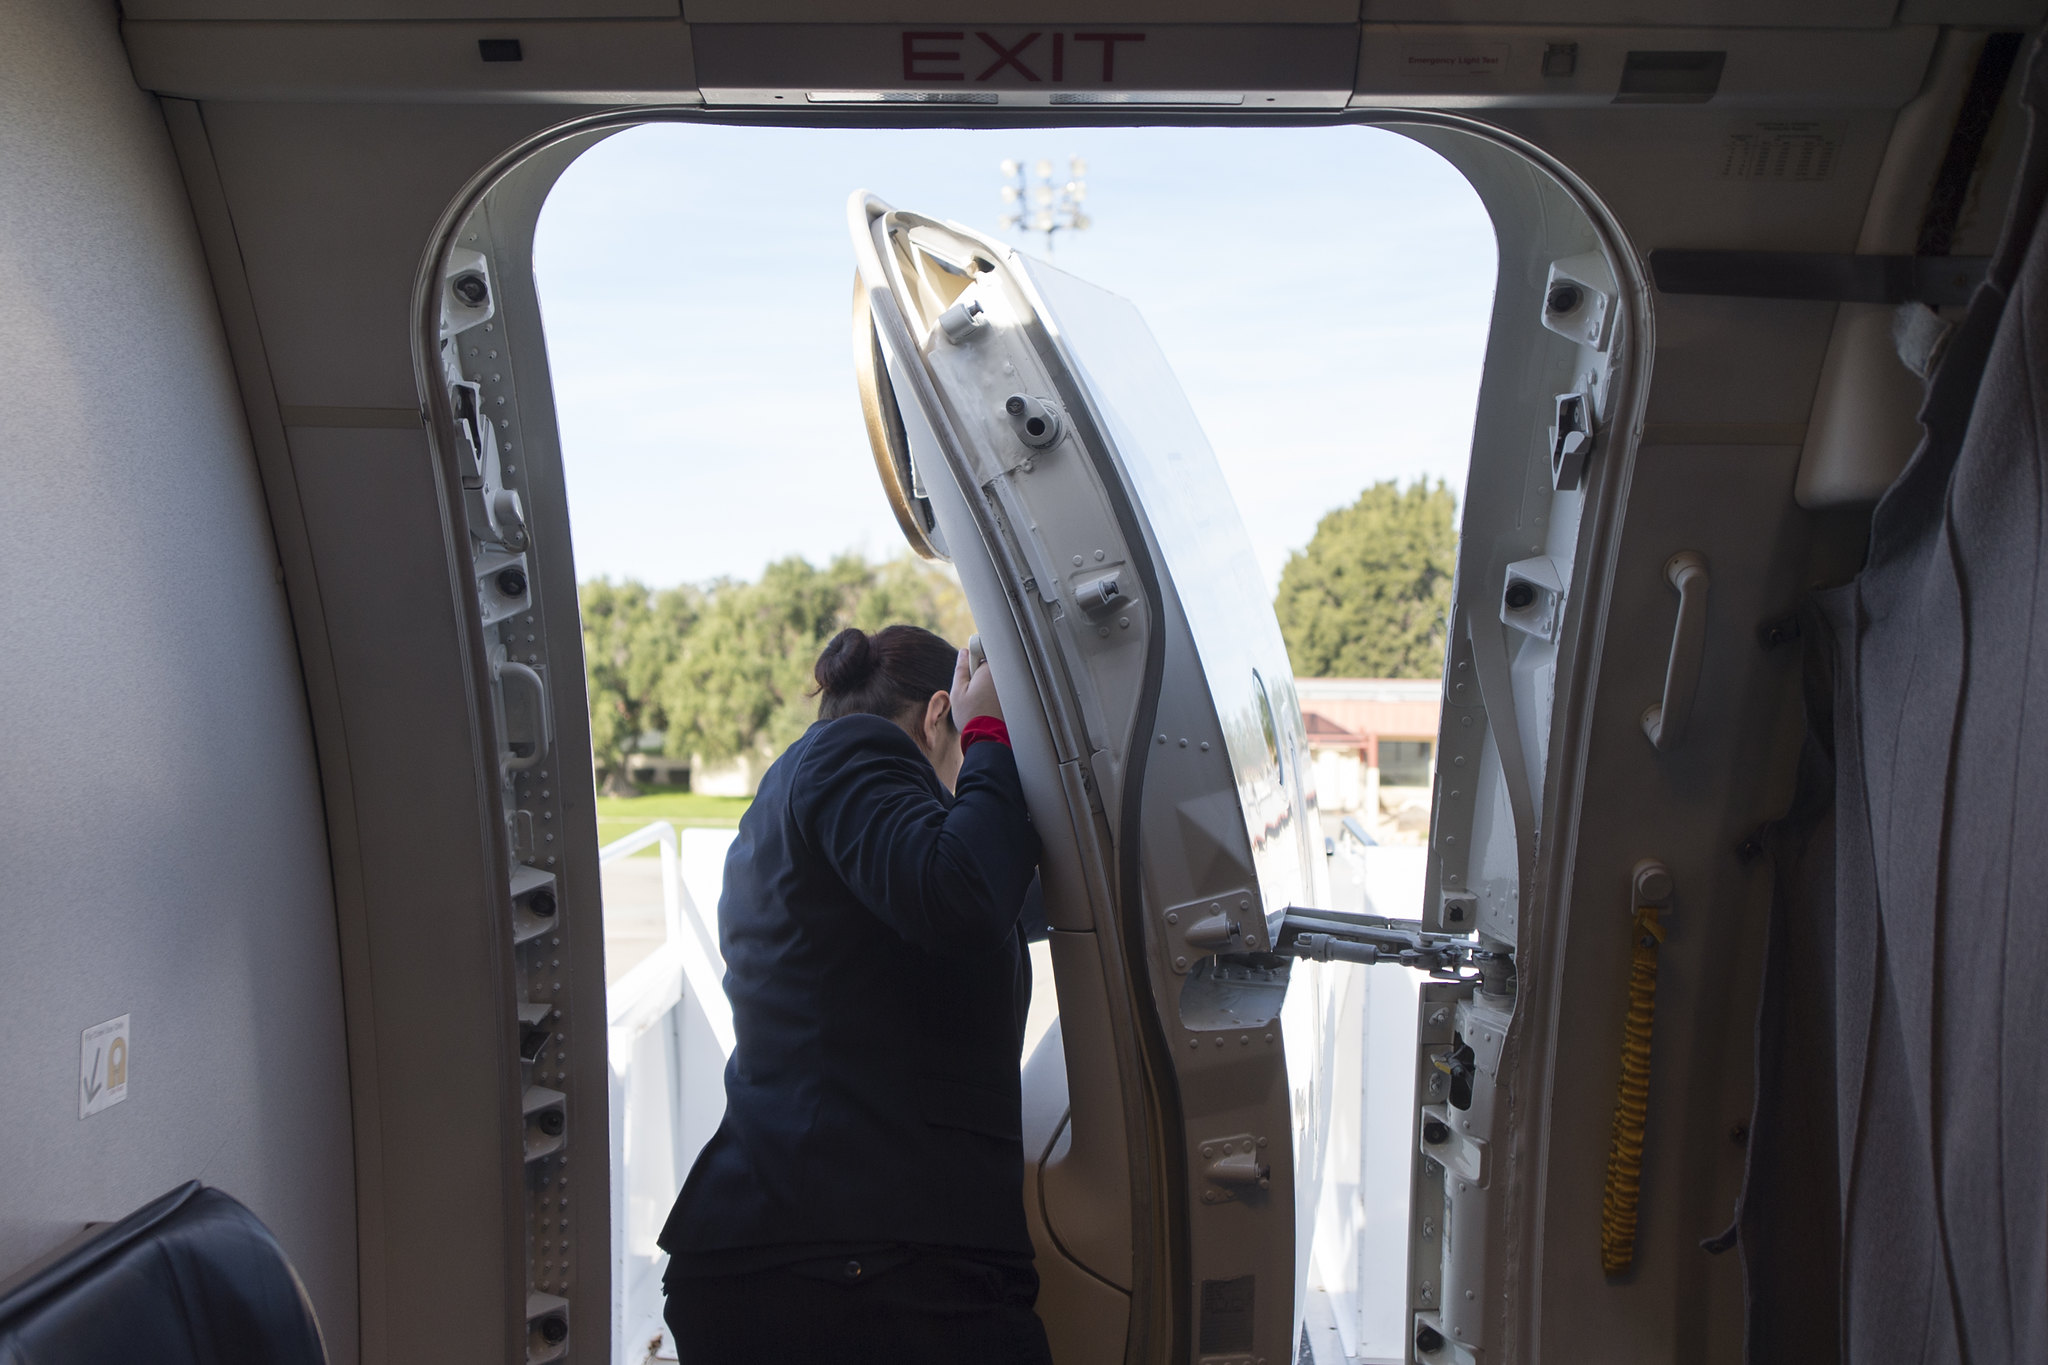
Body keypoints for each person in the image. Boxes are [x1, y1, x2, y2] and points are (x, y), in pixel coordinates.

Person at [658, 623, 1053, 1365]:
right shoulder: (856, 752)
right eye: (972, 746)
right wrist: (993, 730)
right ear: (941, 716)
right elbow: (963, 895)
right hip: (850, 1271)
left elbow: (1002, 892)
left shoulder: (823, 808)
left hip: (840, 1263)